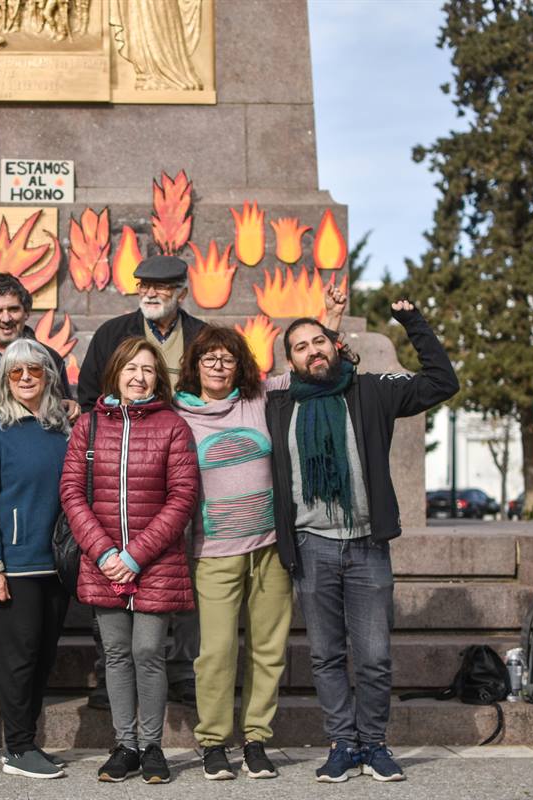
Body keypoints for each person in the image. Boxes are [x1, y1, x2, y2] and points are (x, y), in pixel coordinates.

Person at [266, 300, 458, 783]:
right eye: (300, 347)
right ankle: (343, 744)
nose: (312, 352)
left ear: (336, 346)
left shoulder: (372, 392)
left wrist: (413, 322)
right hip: (311, 546)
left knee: (373, 656)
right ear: (290, 362)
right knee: (325, 654)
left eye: (318, 342)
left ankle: (374, 743)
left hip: (367, 546)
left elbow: (442, 382)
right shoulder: (280, 402)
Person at [175, 291, 346, 781]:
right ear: (195, 365)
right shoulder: (179, 414)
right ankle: (213, 743)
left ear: (240, 366)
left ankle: (255, 739)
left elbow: (312, 368)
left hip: (271, 548)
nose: (218, 366)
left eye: (227, 359)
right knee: (217, 652)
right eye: (209, 358)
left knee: (269, 649)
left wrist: (330, 322)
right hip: (213, 553)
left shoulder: (260, 398)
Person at [60, 338, 198, 784]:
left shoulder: (173, 426)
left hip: (154, 561)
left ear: (158, 377)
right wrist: (102, 551)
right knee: (117, 653)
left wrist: (135, 555)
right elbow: (71, 493)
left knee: (147, 652)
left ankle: (153, 745)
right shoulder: (89, 425)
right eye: (131, 369)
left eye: (148, 370)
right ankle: (125, 745)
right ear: (116, 373)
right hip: (102, 560)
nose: (139, 378)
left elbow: (183, 497)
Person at [76, 254, 206, 708]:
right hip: (123, 469)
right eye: (143, 285)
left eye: (162, 287)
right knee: (109, 567)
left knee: (182, 565)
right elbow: (89, 394)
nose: (150, 293)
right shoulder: (114, 332)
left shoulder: (202, 336)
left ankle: (182, 668)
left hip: (188, 462)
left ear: (181, 293)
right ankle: (110, 670)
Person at [0, 338, 71, 779]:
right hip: (14, 565)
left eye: (35, 370)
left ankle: (29, 742)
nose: (26, 378)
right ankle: (18, 748)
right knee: (18, 657)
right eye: (16, 372)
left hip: (58, 564)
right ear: (4, 380)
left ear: (48, 374)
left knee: (44, 655)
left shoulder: (60, 427)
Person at [0, 271, 71, 398]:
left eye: (13, 309)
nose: (6, 319)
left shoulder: (50, 358)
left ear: (27, 312)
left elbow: (61, 408)